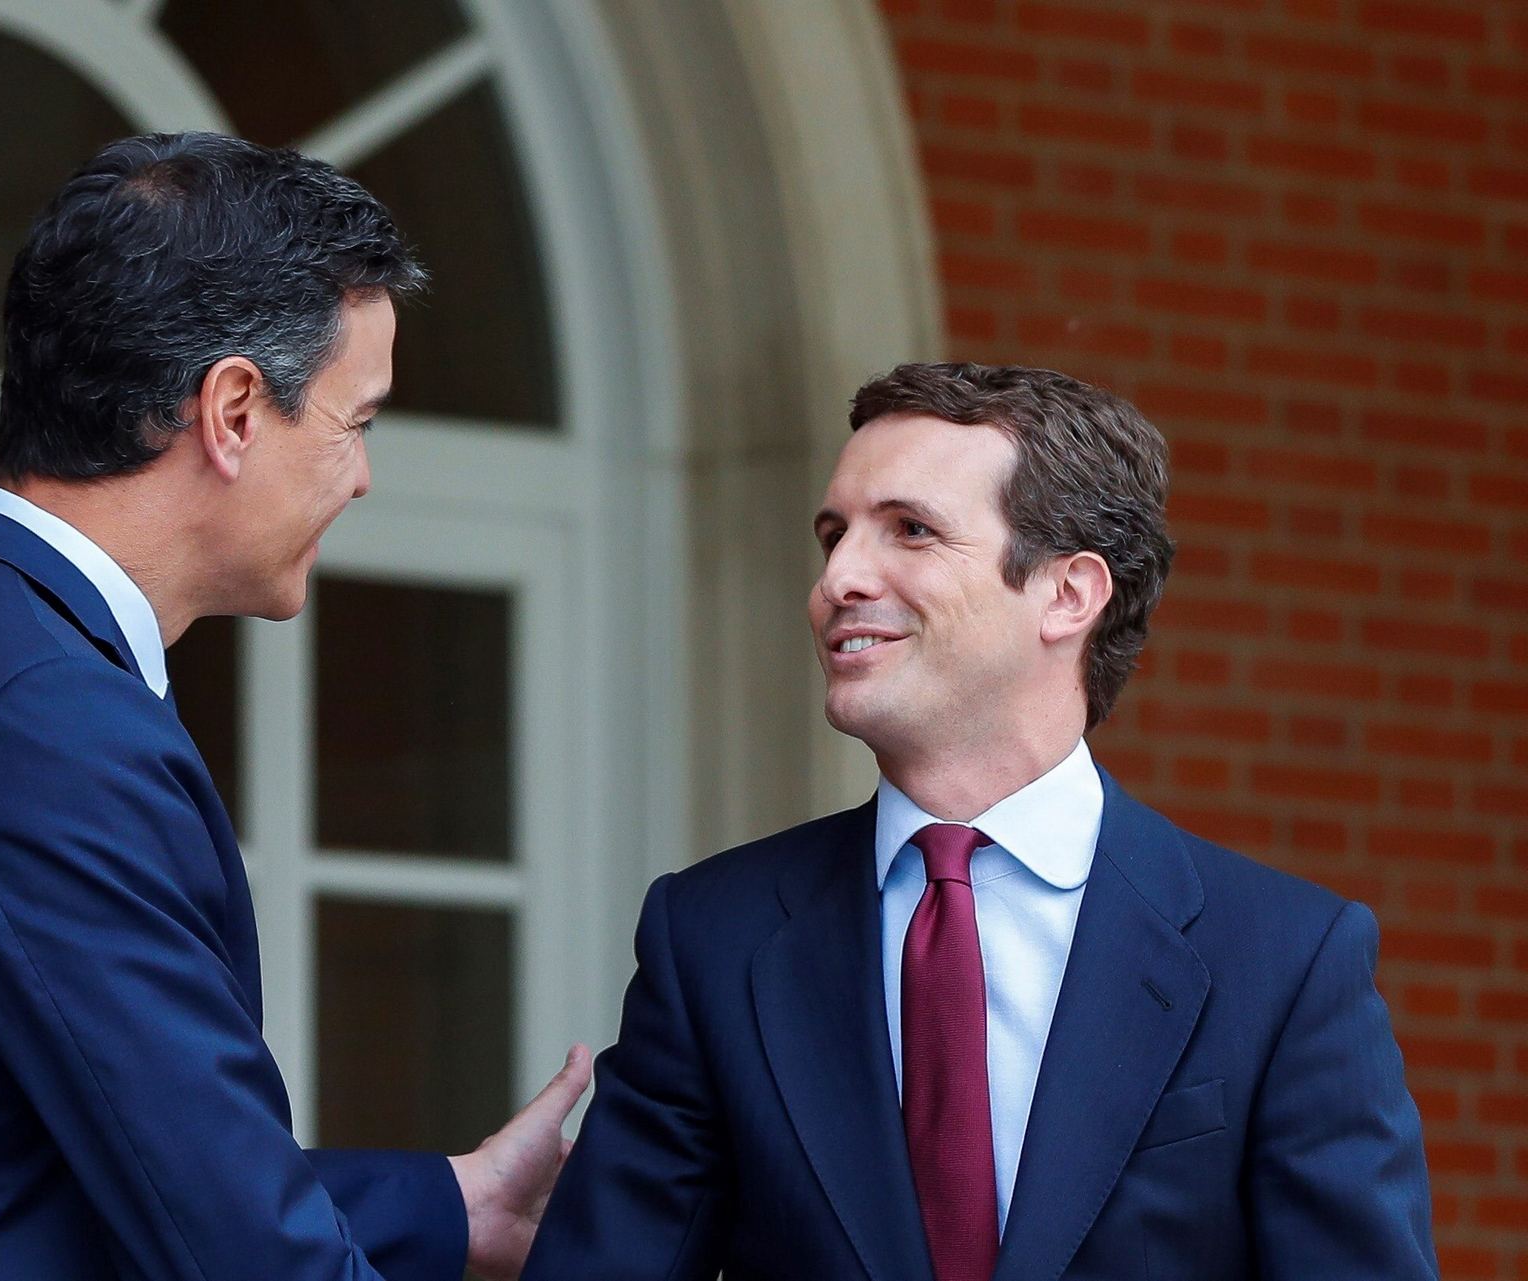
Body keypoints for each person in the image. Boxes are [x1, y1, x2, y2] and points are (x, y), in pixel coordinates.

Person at [0, 132, 589, 1281]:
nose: (365, 476)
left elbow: (12, 1180)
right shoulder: (43, 727)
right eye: (355, 422)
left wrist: (447, 1205)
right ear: (232, 409)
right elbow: (240, 1255)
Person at [523, 362, 1435, 1280]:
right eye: (833, 535)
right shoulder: (715, 935)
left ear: (1069, 594)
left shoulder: (1286, 959)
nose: (838, 577)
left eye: (910, 530)